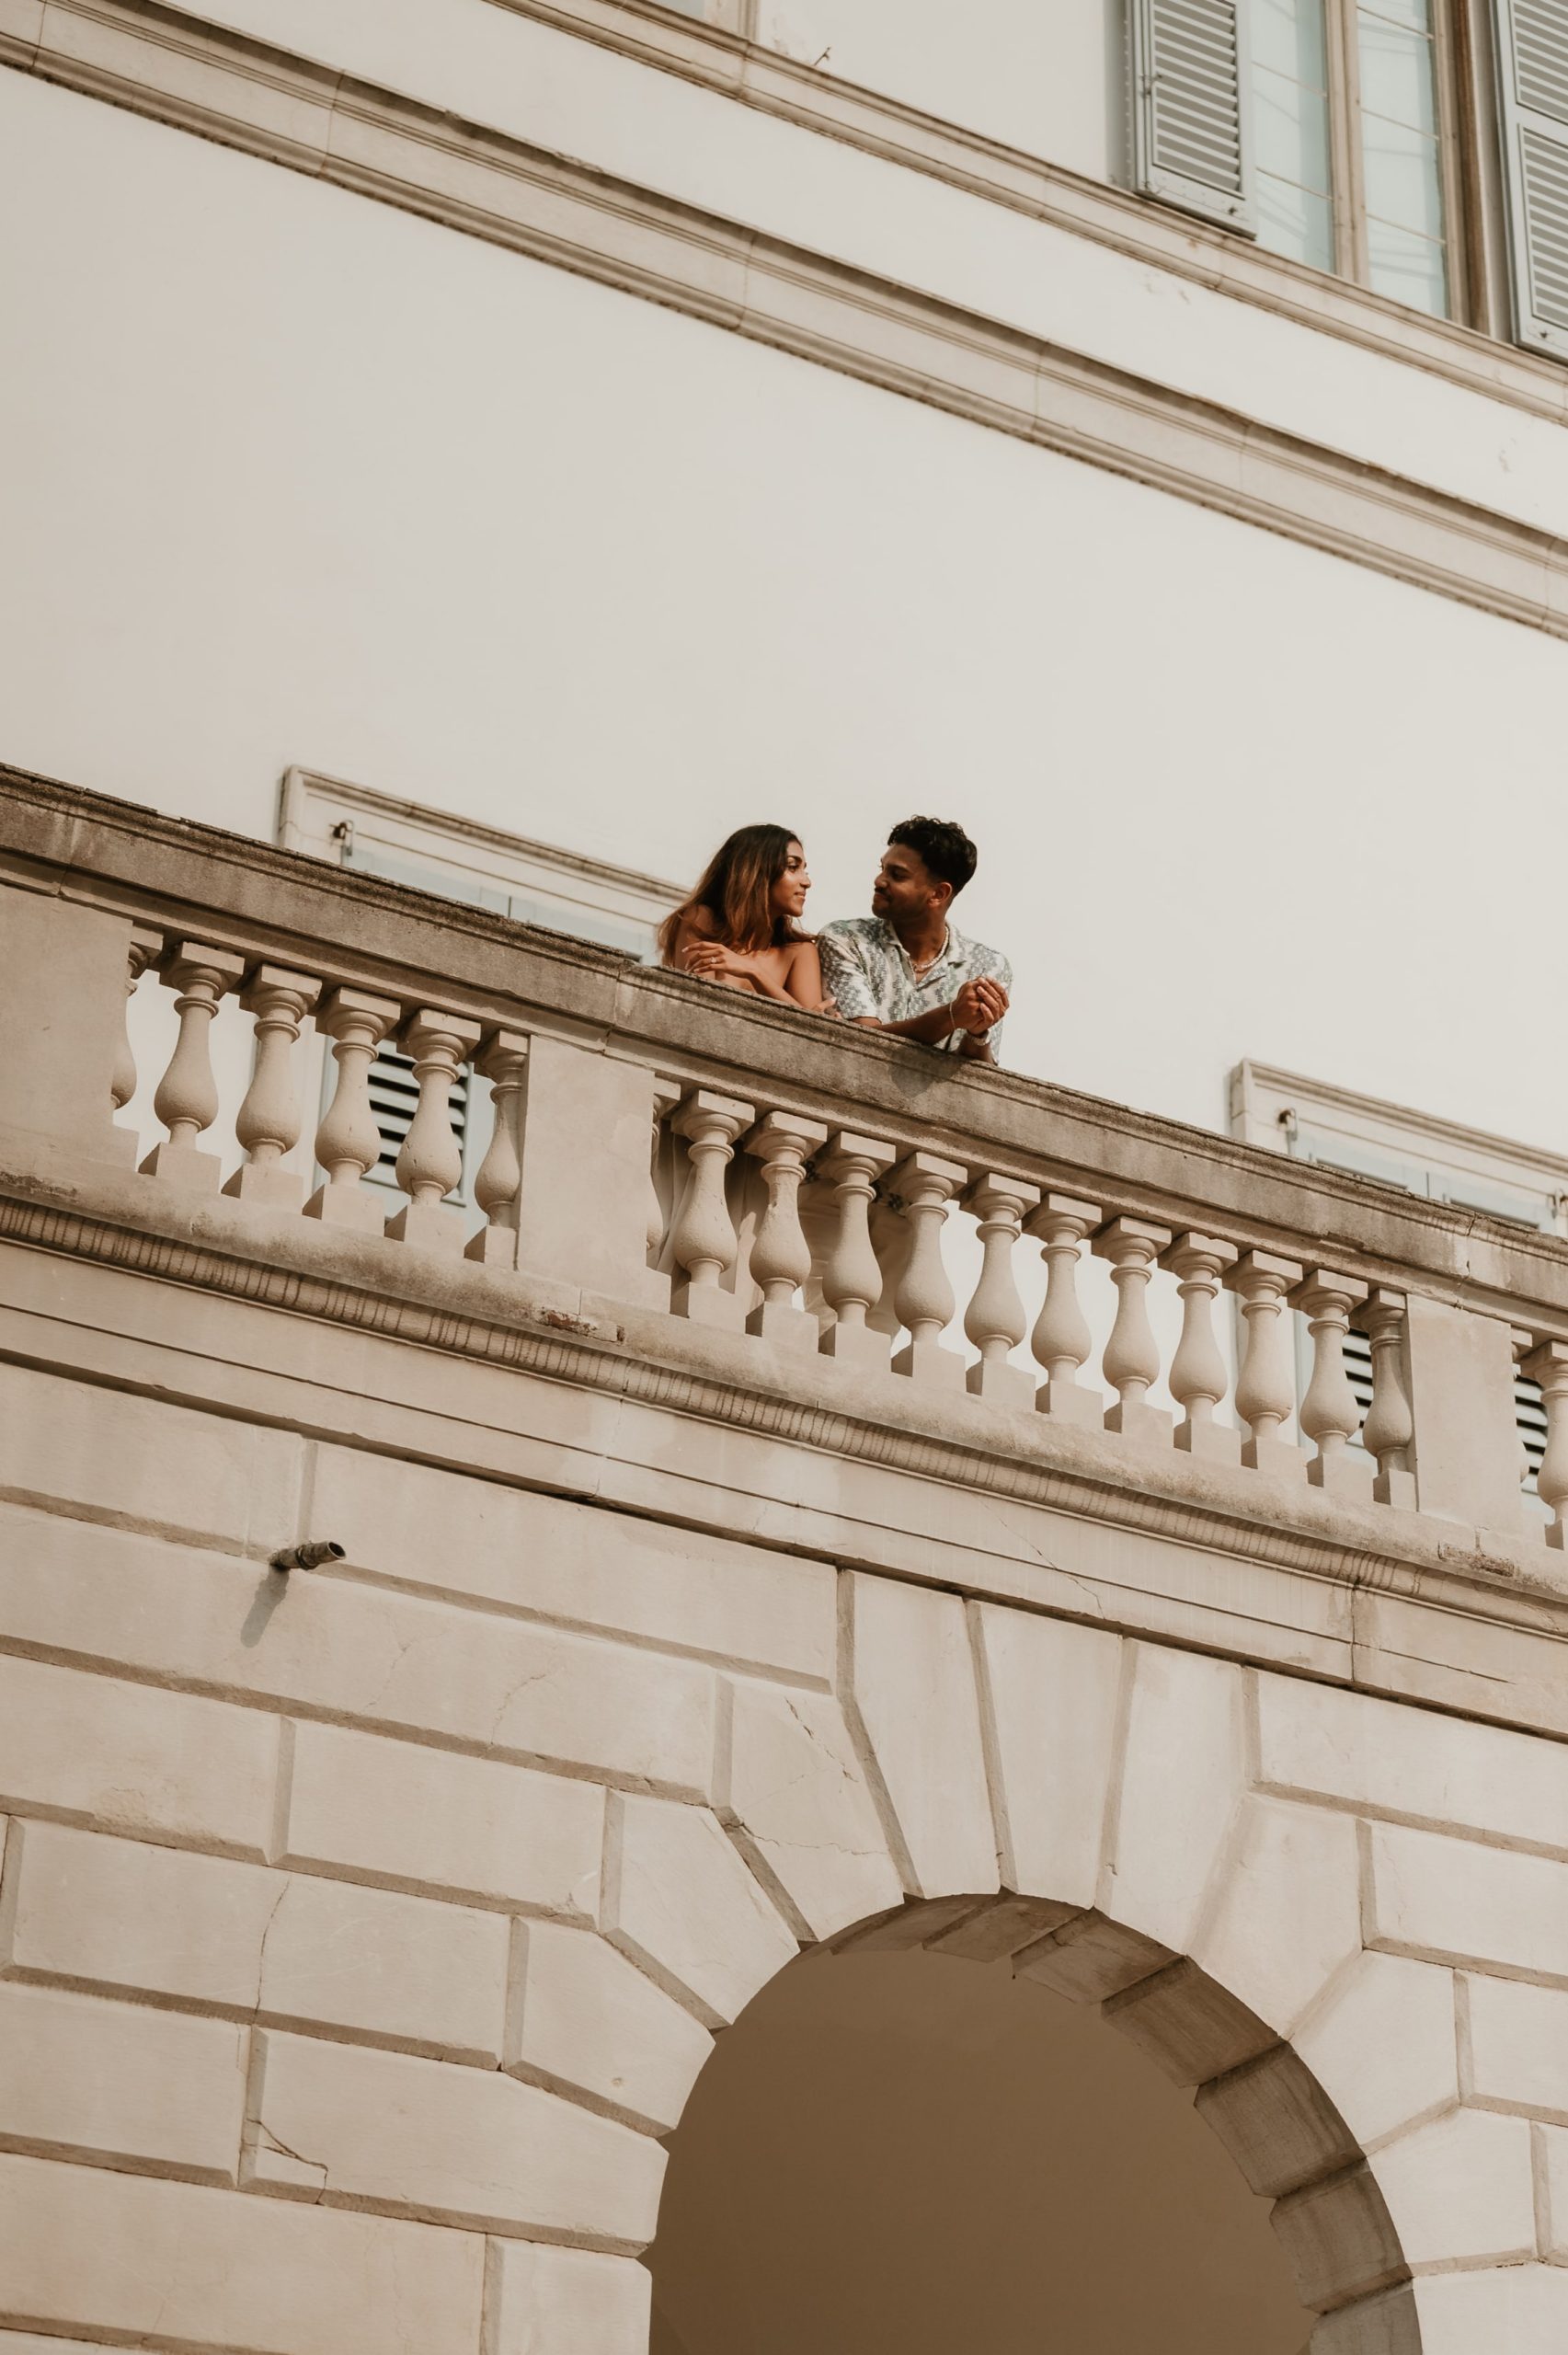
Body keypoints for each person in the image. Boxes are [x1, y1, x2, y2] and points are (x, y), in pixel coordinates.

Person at [817, 817, 1011, 1063]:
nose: (879, 881)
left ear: (938, 894)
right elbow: (861, 1042)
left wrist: (977, 1032)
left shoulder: (988, 967)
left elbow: (982, 1075)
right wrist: (952, 1015)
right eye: (882, 869)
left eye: (897, 875)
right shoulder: (845, 939)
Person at [658, 823, 830, 1010]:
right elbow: (699, 1007)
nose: (807, 882)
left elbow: (809, 1029)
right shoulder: (701, 920)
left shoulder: (800, 951)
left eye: (805, 870)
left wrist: (753, 972)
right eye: (792, 867)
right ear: (756, 871)